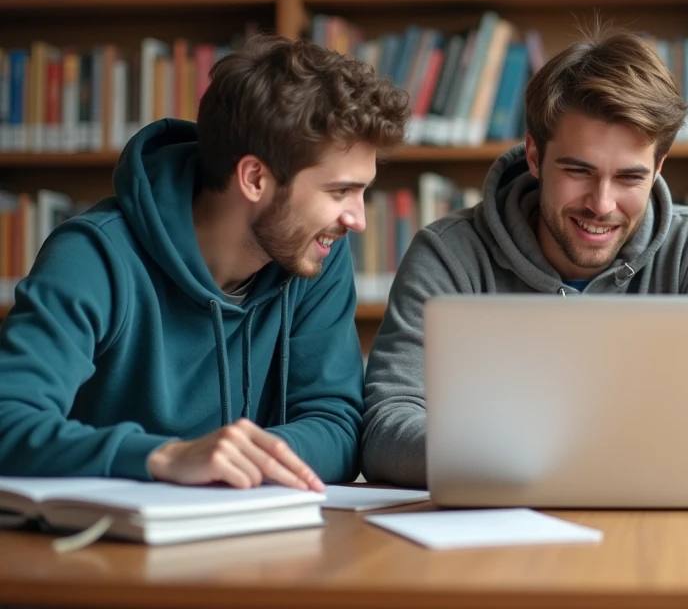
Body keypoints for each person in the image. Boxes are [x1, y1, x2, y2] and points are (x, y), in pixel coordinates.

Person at [0, 35, 410, 490]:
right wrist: (165, 456)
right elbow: (9, 420)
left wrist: (238, 461)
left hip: (247, 543)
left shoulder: (311, 257)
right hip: (99, 547)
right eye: (339, 192)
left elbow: (337, 425)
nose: (357, 221)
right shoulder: (94, 255)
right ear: (255, 178)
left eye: (363, 191)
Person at [362, 28, 688, 487]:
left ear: (658, 169)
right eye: (578, 171)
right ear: (533, 155)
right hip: (503, 524)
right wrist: (520, 461)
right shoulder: (448, 255)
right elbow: (385, 428)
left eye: (629, 178)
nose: (602, 204)